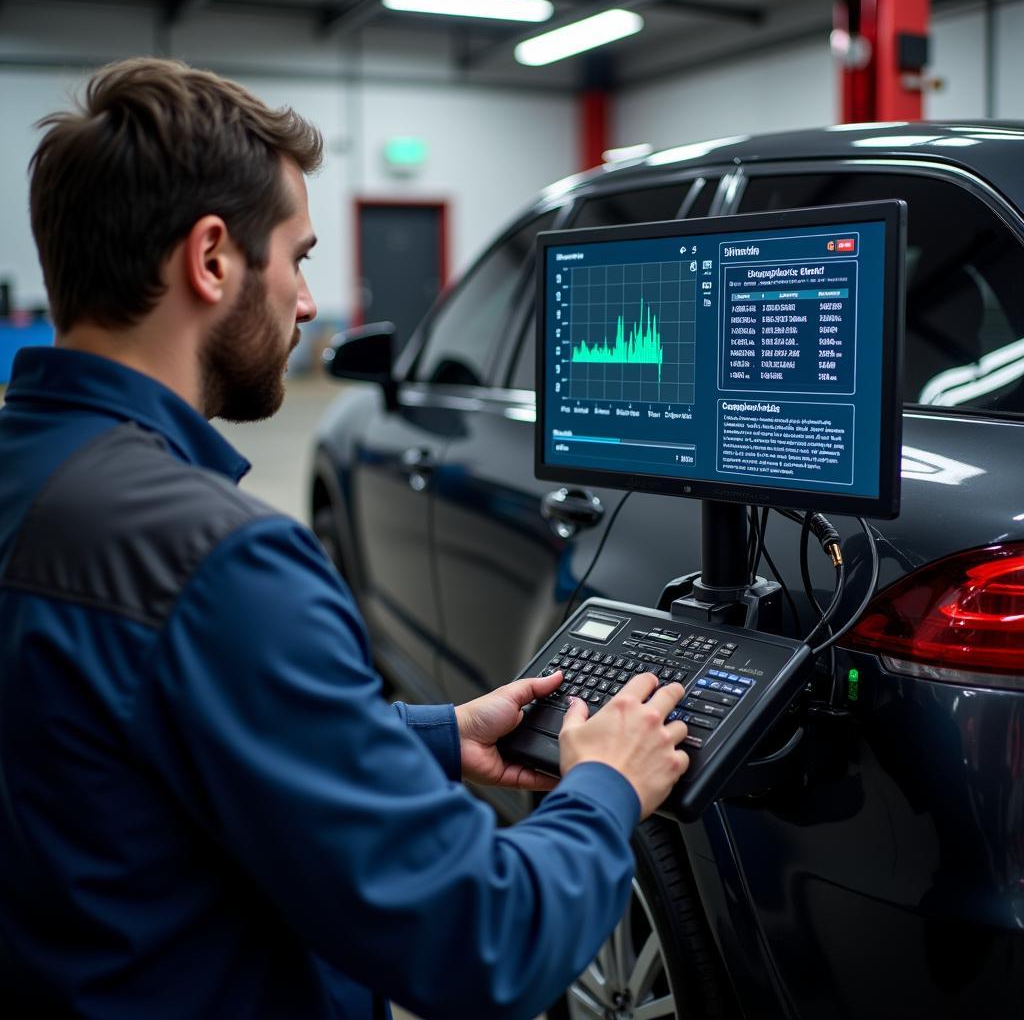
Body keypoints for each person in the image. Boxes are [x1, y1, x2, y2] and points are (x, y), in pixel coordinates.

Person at [0, 58, 689, 1019]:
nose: (311, 303)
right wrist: (605, 790)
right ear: (211, 260)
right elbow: (483, 944)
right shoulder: (221, 560)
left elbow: (146, 722)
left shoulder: (32, 475)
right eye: (300, 257)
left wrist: (436, 733)